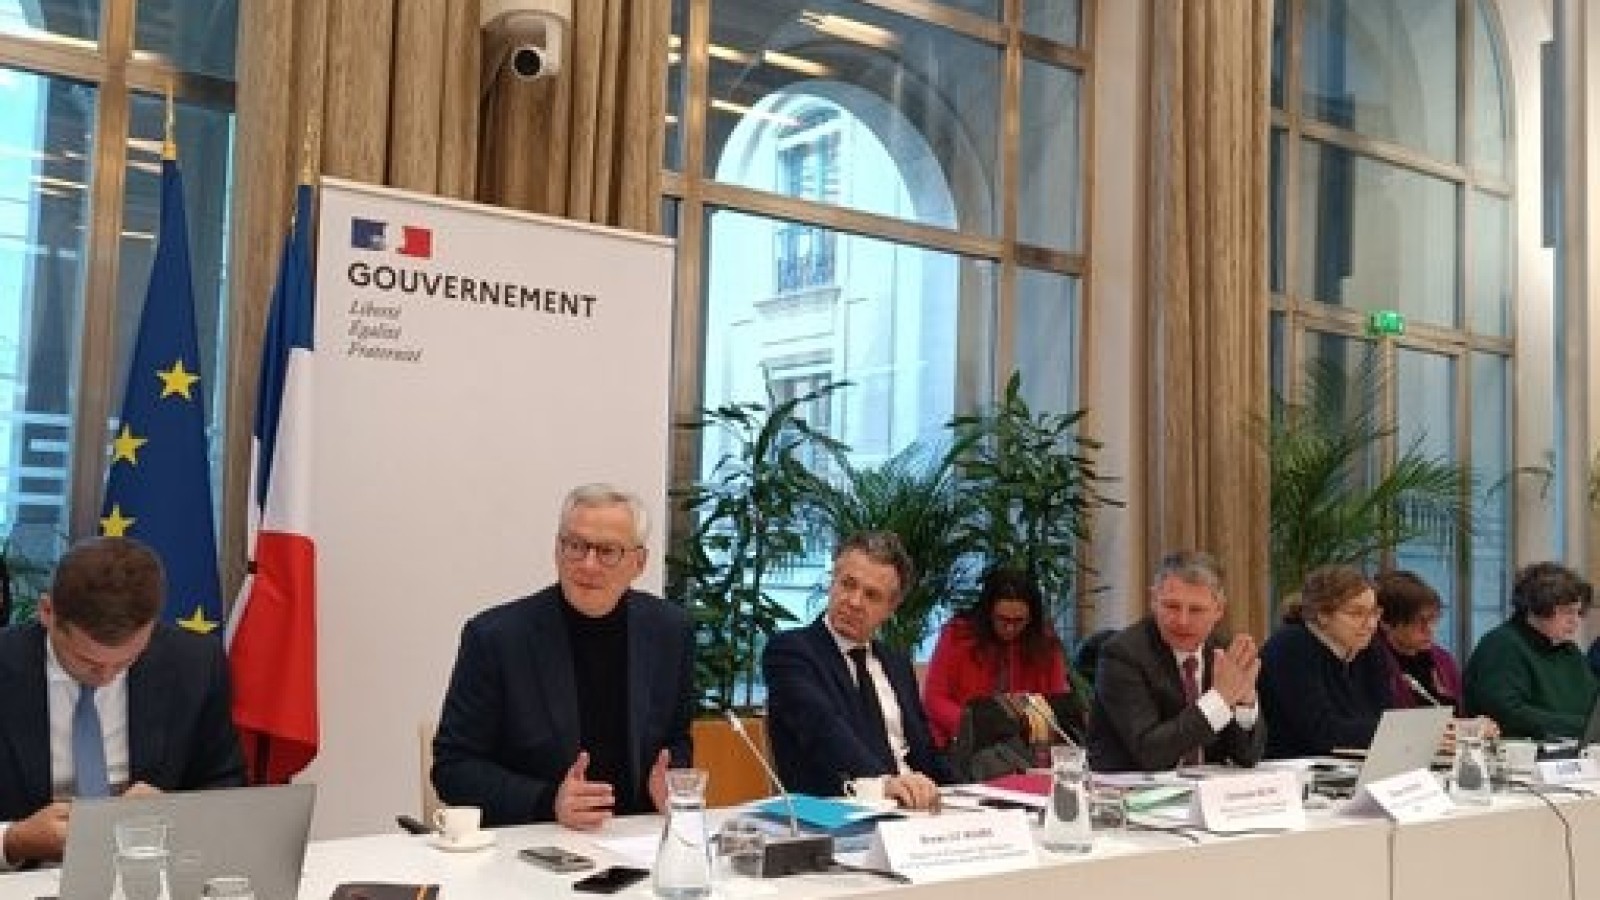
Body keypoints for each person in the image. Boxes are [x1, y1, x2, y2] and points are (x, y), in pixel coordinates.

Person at [432, 484, 694, 830]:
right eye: (576, 546)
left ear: (639, 563)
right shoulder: (496, 638)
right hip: (534, 839)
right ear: (557, 550)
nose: (588, 564)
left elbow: (676, 738)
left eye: (608, 551)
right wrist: (547, 800)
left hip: (636, 839)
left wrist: (669, 782)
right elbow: (453, 767)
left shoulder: (670, 631)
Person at [0, 536, 246, 865]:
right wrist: (14, 840)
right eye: (86, 660)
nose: (106, 676)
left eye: (125, 661)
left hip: (151, 872)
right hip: (22, 879)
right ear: (47, 612)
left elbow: (225, 783)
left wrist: (177, 814)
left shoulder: (195, 664)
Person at [763, 531, 949, 809]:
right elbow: (823, 729)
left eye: (871, 595)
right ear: (832, 582)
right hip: (839, 811)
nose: (854, 602)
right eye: (848, 585)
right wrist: (883, 784)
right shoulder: (791, 652)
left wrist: (968, 791)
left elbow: (925, 753)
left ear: (891, 608)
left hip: (915, 809)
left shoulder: (896, 664)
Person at [1086, 551, 1266, 772]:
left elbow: (1247, 757)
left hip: (1206, 787)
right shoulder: (1122, 654)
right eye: (1171, 606)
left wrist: (1245, 702)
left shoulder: (1224, 653)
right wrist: (1219, 700)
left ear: (1218, 610)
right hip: (1131, 787)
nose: (1182, 621)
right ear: (1154, 601)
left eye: (1196, 610)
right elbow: (1150, 752)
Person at [921, 567, 1070, 749]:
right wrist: (975, 729)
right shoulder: (958, 635)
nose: (1010, 628)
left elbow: (1058, 704)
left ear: (1031, 618)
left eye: (1019, 621)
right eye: (1002, 619)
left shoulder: (1045, 643)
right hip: (963, 741)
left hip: (1027, 744)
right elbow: (934, 699)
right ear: (988, 613)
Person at [1258, 565, 1390, 758]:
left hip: (1350, 763)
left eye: (1374, 613)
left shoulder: (1369, 649)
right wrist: (1392, 732)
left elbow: (1386, 717)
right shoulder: (1290, 646)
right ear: (1323, 615)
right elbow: (1323, 732)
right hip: (1292, 766)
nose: (1370, 624)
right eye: (1356, 613)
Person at [1463, 562, 1600, 740]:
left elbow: (1593, 704)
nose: (1575, 621)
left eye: (1578, 612)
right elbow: (1508, 715)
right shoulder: (1501, 645)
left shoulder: (1568, 650)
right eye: (1567, 612)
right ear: (1537, 607)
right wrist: (1585, 727)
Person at [1374, 570, 1465, 712]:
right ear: (1386, 623)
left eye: (1433, 619)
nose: (1430, 629)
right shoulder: (1371, 663)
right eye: (1419, 621)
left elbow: (1459, 712)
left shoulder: (1443, 661)